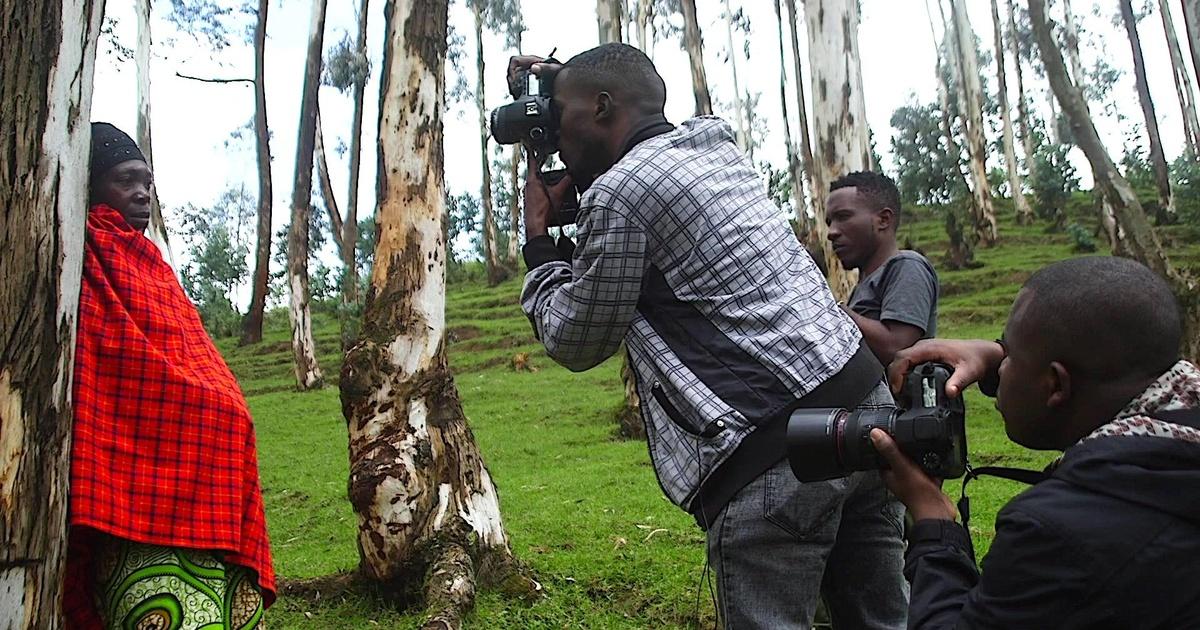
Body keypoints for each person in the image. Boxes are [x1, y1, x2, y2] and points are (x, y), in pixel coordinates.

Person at [514, 44, 907, 628]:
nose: (555, 132)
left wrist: (541, 248)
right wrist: (560, 87)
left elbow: (577, 338)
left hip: (779, 450)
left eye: (561, 113)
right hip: (867, 411)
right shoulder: (714, 147)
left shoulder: (624, 192)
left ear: (601, 107)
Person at [875, 256, 1200, 628]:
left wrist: (934, 524)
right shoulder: (1177, 439)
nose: (999, 365)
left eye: (1009, 356)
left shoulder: (1056, 532)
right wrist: (999, 353)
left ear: (1056, 385)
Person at [63, 122, 274, 629]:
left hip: (207, 482)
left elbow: (189, 357)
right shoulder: (86, 249)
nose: (141, 195)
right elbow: (120, 360)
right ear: (90, 185)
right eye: (125, 181)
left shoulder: (149, 262)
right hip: (133, 491)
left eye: (147, 184)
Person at [827, 171, 938, 365]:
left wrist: (833, 311)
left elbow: (896, 347)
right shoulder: (863, 285)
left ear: (883, 220)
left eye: (843, 217)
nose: (831, 232)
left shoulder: (907, 267)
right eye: (829, 222)